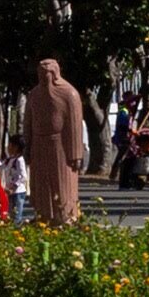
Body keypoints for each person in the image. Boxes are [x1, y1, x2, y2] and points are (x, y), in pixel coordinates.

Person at [23, 58, 89, 224]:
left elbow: (74, 125)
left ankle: (64, 216)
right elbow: (28, 122)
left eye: (48, 74)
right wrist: (27, 146)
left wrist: (76, 153)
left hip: (60, 145)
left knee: (61, 181)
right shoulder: (35, 94)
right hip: (39, 143)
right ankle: (43, 215)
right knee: (41, 182)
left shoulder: (69, 94)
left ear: (55, 74)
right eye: (41, 74)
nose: (45, 77)